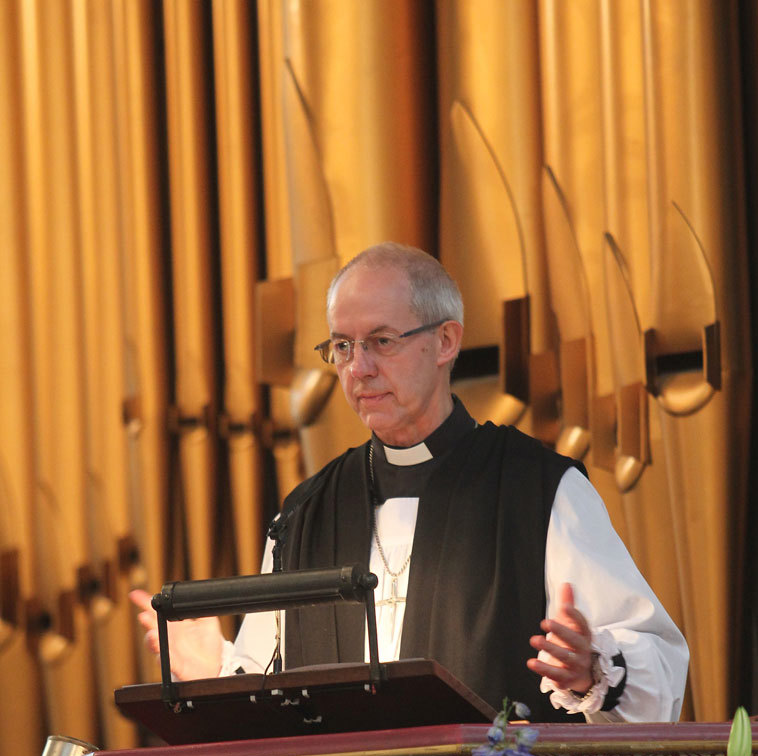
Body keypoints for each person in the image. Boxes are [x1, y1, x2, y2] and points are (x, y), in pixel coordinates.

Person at [132, 243, 689, 722]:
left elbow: (660, 666)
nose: (358, 368)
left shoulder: (540, 491)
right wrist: (215, 672)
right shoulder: (306, 513)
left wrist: (591, 668)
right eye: (343, 346)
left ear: (446, 342)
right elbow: (269, 699)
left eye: (381, 341)